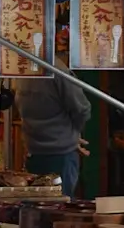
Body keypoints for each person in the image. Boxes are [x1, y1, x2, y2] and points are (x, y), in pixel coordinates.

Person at [15, 56, 91, 199]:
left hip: (40, 151)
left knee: (43, 204)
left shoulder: (23, 66)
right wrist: (74, 134)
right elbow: (82, 109)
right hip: (55, 153)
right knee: (57, 204)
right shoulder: (57, 69)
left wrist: (73, 135)